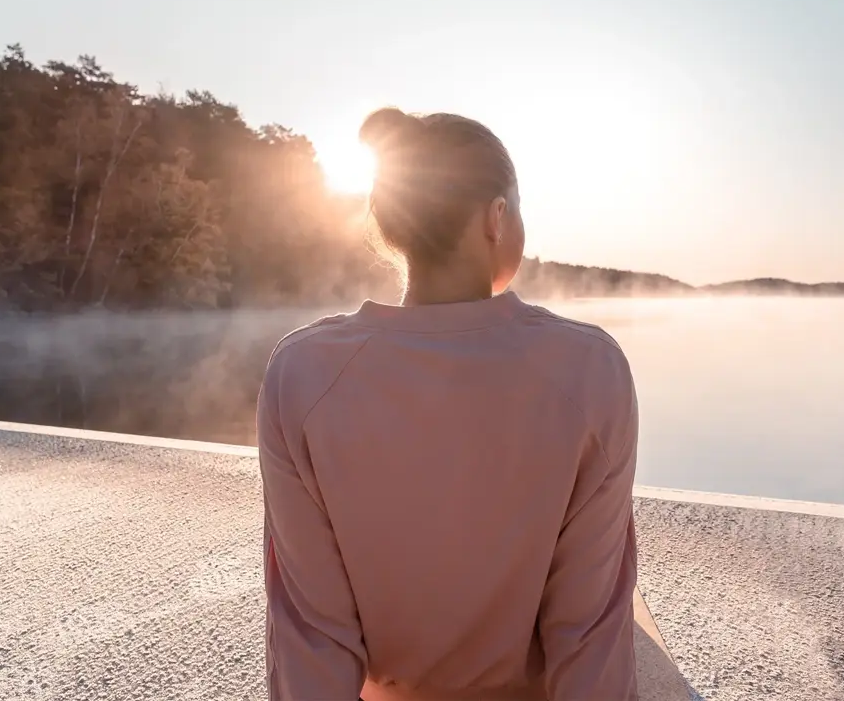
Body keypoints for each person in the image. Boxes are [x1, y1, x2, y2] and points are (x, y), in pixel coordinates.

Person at [257, 107, 640, 701]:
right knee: (624, 592)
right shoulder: (590, 368)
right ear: (497, 217)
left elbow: (310, 631)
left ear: (393, 226)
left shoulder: (301, 373)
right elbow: (587, 633)